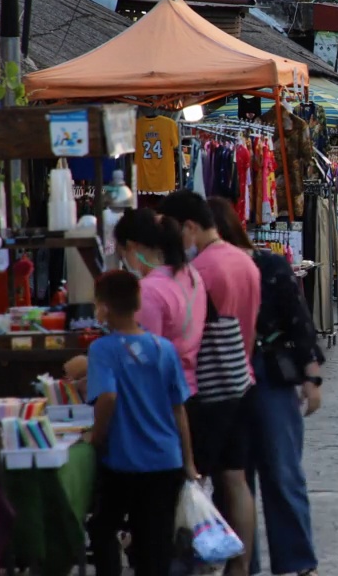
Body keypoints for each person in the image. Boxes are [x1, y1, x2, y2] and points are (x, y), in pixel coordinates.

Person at [205, 198, 322, 576]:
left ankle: (295, 562)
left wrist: (310, 373)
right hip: (230, 375)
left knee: (280, 470)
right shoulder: (202, 271)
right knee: (236, 476)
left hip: (267, 371)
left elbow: (296, 318)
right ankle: (244, 563)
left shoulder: (267, 265)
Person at [156, 191, 258, 576]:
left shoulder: (201, 270)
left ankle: (205, 560)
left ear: (189, 227)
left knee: (196, 480)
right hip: (241, 377)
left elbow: (190, 335)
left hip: (208, 385)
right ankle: (242, 565)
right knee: (237, 480)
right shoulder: (245, 261)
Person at [87, 270, 197, 576]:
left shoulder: (103, 350)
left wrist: (96, 437)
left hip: (124, 463)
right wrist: (188, 462)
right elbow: (179, 410)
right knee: (156, 546)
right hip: (165, 460)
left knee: (102, 526)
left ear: (104, 307)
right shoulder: (164, 348)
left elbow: (107, 397)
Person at [112, 209, 207, 395]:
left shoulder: (148, 291)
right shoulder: (190, 275)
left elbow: (143, 357)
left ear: (131, 246)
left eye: (122, 254)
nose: (124, 261)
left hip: (160, 396)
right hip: (189, 388)